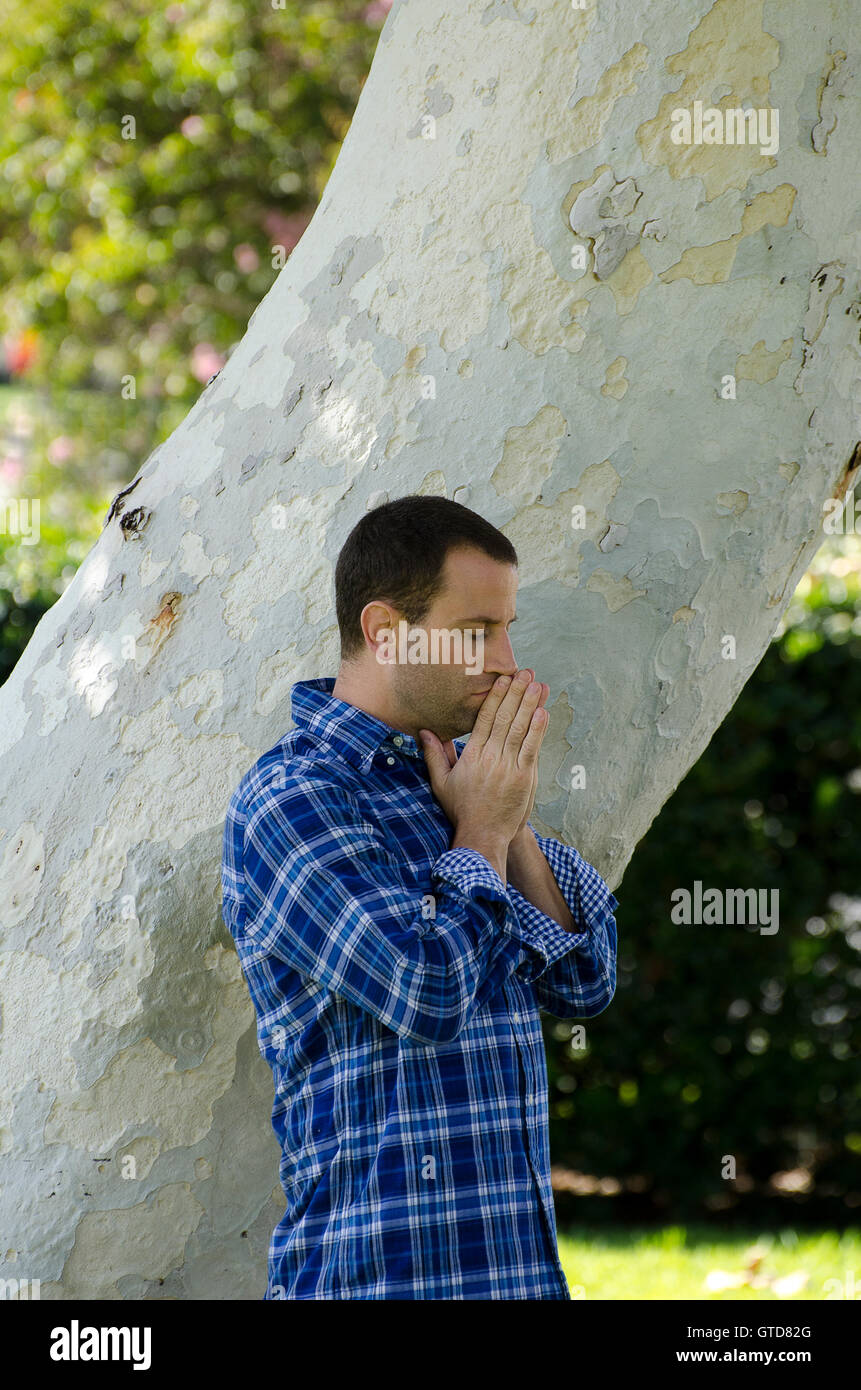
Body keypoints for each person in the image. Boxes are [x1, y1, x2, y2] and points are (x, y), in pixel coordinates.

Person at [220, 493, 618, 1299]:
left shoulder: (463, 786)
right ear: (384, 630)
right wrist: (480, 830)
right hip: (377, 1282)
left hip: (517, 1279)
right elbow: (427, 990)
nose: (506, 661)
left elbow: (584, 982)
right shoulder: (293, 799)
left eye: (507, 628)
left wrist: (505, 820)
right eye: (476, 632)